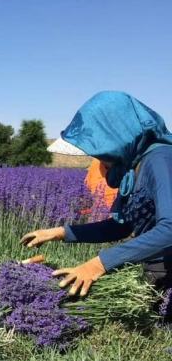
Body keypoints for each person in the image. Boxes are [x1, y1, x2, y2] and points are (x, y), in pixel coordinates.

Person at [22, 91, 172, 298]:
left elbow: (170, 228)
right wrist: (59, 232)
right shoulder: (133, 166)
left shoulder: (160, 159)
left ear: (116, 133)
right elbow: (123, 226)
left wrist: (98, 264)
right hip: (156, 270)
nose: (98, 158)